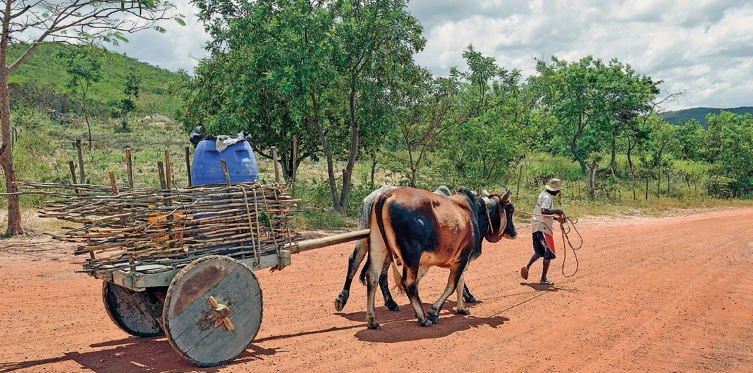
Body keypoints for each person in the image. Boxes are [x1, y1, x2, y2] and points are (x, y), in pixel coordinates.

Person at [521, 178, 565, 285]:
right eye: (558, 190)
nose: (558, 192)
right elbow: (544, 211)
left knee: (539, 252)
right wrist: (557, 211)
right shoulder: (547, 197)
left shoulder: (542, 194)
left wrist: (555, 218)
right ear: (554, 190)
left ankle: (527, 266)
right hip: (543, 228)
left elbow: (543, 214)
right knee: (548, 253)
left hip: (536, 227)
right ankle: (543, 279)